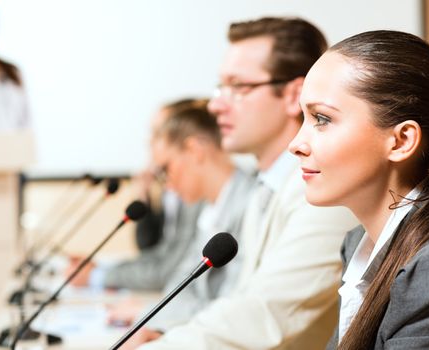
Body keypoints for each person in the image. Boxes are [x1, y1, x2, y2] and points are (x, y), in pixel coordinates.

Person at [132, 17, 358, 350]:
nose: (215, 105)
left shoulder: (327, 191)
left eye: (238, 87)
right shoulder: (264, 187)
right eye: (220, 87)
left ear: (293, 95)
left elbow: (268, 312)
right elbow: (238, 300)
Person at [288, 30, 429, 349]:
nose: (296, 144)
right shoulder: (357, 244)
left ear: (401, 141)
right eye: (303, 117)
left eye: (322, 119)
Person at [107, 99, 256, 330]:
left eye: (166, 169)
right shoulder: (210, 207)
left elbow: (232, 310)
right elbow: (181, 281)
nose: (166, 185)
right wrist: (153, 318)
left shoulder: (251, 203)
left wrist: (154, 318)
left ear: (195, 150)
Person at [69, 99, 205, 292]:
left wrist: (98, 276)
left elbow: (166, 272)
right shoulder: (173, 188)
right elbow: (154, 251)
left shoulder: (195, 193)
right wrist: (144, 196)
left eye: (158, 133)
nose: (150, 141)